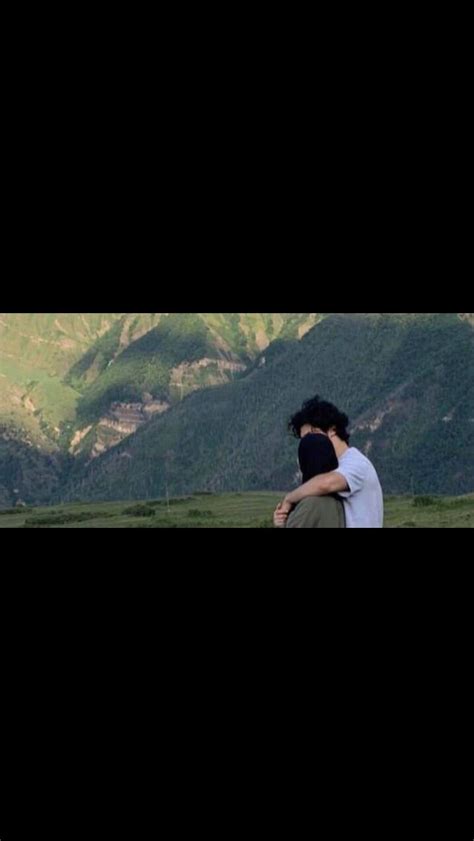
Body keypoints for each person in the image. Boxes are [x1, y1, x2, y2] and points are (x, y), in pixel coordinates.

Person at [274, 396, 384, 529]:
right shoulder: (330, 467)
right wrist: (284, 519)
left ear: (332, 430)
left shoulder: (357, 463)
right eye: (304, 439)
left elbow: (325, 484)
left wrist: (289, 499)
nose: (308, 442)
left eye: (312, 434)